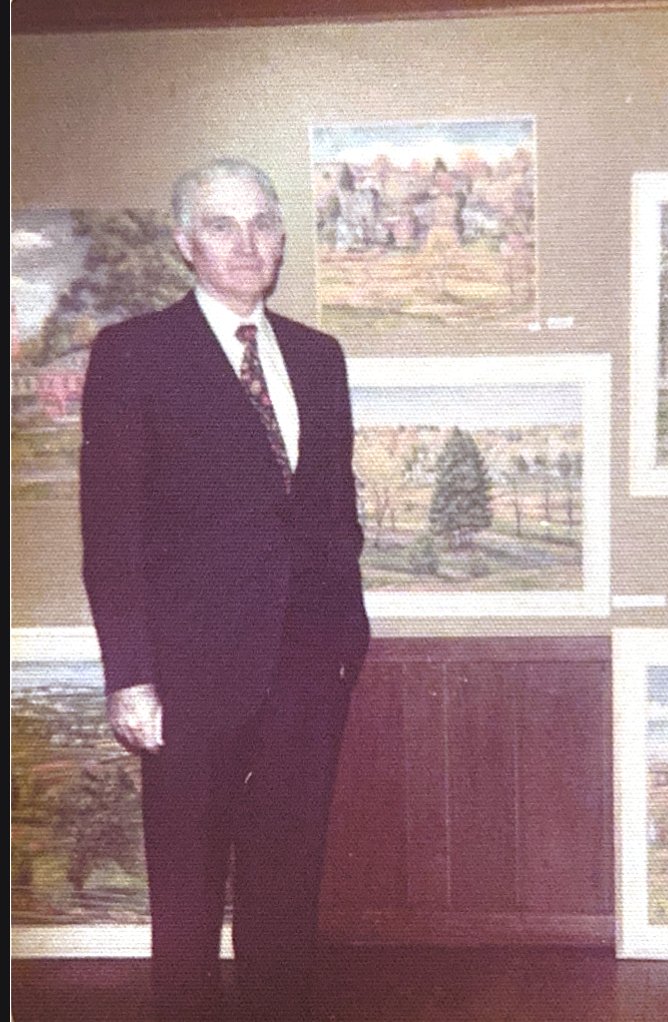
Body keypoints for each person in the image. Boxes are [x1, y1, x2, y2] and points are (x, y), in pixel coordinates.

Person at [79, 157, 370, 1022]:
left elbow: (333, 513)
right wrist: (130, 676)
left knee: (288, 874)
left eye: (262, 225)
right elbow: (110, 532)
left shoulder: (319, 359)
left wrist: (346, 639)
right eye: (221, 225)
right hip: (188, 677)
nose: (246, 245)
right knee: (188, 883)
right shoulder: (134, 354)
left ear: (281, 240)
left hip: (309, 668)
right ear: (184, 243)